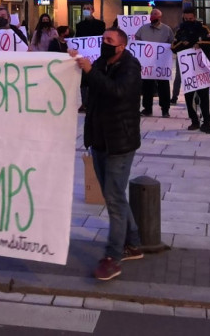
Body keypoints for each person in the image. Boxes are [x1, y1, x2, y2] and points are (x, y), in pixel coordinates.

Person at [71, 25, 143, 281]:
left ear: (121, 46)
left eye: (109, 40)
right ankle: (133, 243)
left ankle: (113, 256)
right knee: (114, 195)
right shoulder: (102, 61)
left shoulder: (130, 67)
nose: (105, 42)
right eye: (103, 39)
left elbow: (117, 93)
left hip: (119, 143)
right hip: (100, 140)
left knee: (113, 199)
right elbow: (91, 84)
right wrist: (75, 65)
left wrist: (91, 71)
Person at [172, 6, 210, 132]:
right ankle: (194, 121)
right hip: (188, 69)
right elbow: (173, 47)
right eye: (186, 19)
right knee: (189, 96)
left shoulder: (203, 28)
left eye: (190, 18)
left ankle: (206, 122)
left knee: (204, 96)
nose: (188, 21)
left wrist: (199, 44)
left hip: (201, 67)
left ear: (194, 18)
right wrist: (182, 44)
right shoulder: (180, 30)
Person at [136, 7, 173, 117]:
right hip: (147, 64)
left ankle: (165, 109)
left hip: (162, 64)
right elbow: (137, 40)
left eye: (156, 15)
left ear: (160, 17)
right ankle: (147, 109)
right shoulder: (143, 28)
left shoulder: (167, 29)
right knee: (147, 86)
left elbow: (172, 42)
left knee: (163, 86)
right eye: (152, 15)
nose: (154, 17)